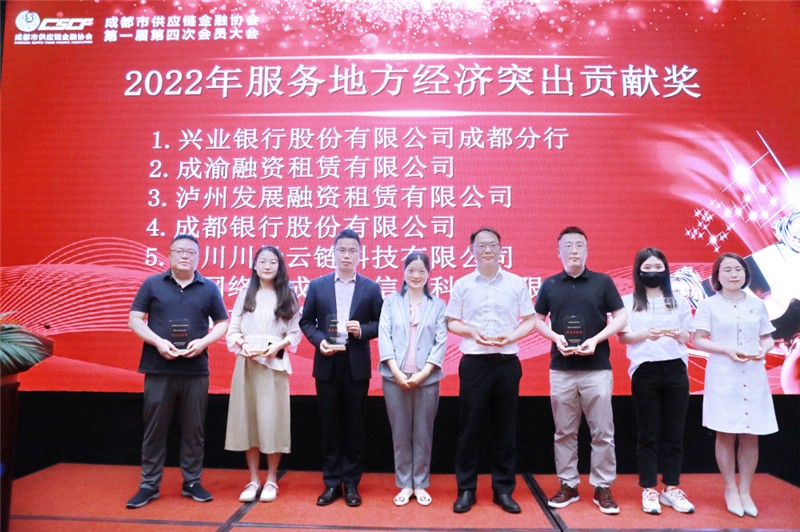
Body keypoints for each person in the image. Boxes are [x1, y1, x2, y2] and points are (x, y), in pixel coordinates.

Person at [126, 234, 229, 509]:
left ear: (198, 257)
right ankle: (149, 484)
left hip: (195, 369)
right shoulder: (152, 284)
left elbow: (222, 322)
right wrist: (158, 342)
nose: (185, 256)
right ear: (169, 255)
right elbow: (135, 319)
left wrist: (203, 342)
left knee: (194, 429)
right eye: (180, 251)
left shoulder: (209, 287)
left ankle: (192, 481)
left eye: (191, 252)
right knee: (154, 429)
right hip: (158, 367)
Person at [533, 226, 627, 515]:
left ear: (587, 250)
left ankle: (602, 487)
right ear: (558, 251)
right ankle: (568, 484)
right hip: (561, 369)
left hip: (596, 369)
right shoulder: (549, 285)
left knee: (603, 432)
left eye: (579, 245)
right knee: (564, 432)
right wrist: (555, 338)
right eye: (568, 245)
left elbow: (621, 318)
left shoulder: (603, 282)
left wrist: (596, 339)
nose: (574, 250)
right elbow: (537, 320)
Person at [445, 227, 537, 514]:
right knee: (469, 428)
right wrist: (471, 332)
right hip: (475, 363)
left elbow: (530, 320)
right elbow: (451, 322)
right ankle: (466, 490)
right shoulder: (462, 284)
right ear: (472, 250)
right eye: (481, 245)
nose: (487, 249)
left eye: (493, 244)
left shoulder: (516, 283)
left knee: (505, 429)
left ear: (500, 248)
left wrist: (512, 336)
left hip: (507, 363)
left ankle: (503, 490)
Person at [299, 228, 383, 507]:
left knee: (355, 426)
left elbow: (382, 323)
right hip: (327, 363)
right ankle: (332, 483)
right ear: (333, 253)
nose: (347, 255)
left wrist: (363, 330)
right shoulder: (318, 285)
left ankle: (352, 484)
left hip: (356, 365)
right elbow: (306, 322)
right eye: (342, 250)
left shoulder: (370, 288)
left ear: (360, 255)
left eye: (352, 251)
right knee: (329, 426)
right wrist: (320, 341)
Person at [692, 252, 777, 518]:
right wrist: (726, 350)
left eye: (738, 269)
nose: (733, 274)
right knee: (726, 432)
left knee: (751, 434)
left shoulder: (757, 305)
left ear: (746, 273)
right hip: (723, 373)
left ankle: (745, 490)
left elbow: (768, 337)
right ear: (717, 275)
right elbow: (698, 339)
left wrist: (764, 349)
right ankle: (730, 488)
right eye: (727, 270)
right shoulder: (709, 305)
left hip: (753, 373)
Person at [618, 248, 696, 515]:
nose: (653, 272)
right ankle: (649, 488)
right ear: (639, 271)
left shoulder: (679, 301)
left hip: (676, 370)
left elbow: (688, 336)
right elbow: (623, 337)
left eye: (658, 268)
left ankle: (671, 487)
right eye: (647, 268)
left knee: (674, 433)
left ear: (666, 270)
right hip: (645, 371)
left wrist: (678, 334)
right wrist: (644, 335)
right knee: (648, 433)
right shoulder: (628, 301)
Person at [224, 246, 301, 503]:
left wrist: (278, 346)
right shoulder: (244, 294)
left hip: (274, 365)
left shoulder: (287, 295)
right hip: (248, 365)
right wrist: (243, 345)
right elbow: (233, 330)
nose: (267, 266)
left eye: (273, 262)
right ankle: (253, 479)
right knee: (250, 420)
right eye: (263, 261)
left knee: (272, 421)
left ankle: (271, 479)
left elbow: (294, 332)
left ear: (280, 267)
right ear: (255, 265)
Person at [378, 252, 447, 507]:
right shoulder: (390, 302)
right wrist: (396, 372)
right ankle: (405, 484)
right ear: (404, 272)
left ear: (428, 274)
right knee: (400, 432)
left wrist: (424, 372)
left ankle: (421, 483)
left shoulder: (438, 305)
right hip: (393, 377)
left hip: (426, 379)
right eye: (411, 270)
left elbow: (441, 342)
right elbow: (384, 336)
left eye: (421, 271)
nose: (416, 275)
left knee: (423, 433)